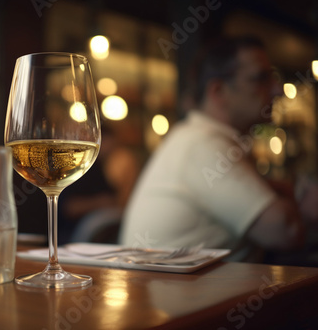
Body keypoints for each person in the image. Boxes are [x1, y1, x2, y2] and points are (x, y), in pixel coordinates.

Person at [120, 36, 315, 261]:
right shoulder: (202, 143)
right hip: (176, 294)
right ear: (218, 92)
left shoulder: (201, 138)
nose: (277, 89)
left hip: (187, 291)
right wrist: (298, 194)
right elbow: (285, 232)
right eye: (261, 78)